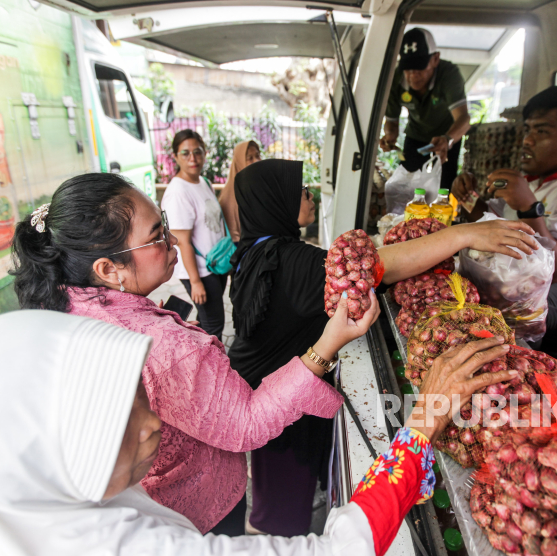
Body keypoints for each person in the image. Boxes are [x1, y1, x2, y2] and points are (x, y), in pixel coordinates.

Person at [0, 309, 516, 556]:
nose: (153, 424)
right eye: (115, 421)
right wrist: (419, 428)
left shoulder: (8, 504)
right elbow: (337, 552)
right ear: (43, 453)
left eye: (140, 395)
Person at [10, 172, 381, 537]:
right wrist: (325, 347)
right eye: (156, 236)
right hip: (197, 509)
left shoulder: (66, 304)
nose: (172, 240)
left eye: (165, 224)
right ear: (108, 269)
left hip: (154, 494)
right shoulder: (164, 348)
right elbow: (246, 424)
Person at [227, 159, 538, 536]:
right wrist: (464, 235)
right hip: (276, 404)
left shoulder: (256, 249)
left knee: (297, 474)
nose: (310, 196)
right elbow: (380, 266)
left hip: (273, 381)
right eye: (302, 192)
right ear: (276, 202)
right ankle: (283, 539)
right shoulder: (291, 261)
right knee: (281, 505)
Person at [451, 85, 557, 356]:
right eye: (528, 130)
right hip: (517, 275)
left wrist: (529, 208)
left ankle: (517, 369)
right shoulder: (535, 178)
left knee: (503, 299)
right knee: (455, 280)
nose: (527, 140)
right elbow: (491, 222)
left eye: (541, 131)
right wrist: (467, 197)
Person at [379, 27, 471, 192]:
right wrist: (390, 135)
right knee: (407, 185)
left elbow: (463, 119)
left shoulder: (449, 75)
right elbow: (391, 121)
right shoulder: (396, 79)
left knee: (442, 188)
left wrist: (447, 139)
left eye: (419, 67)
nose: (413, 75)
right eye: (408, 69)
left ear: (435, 59)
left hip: (447, 138)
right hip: (415, 137)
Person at [162, 129, 229, 338]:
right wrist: (195, 282)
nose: (193, 158)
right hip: (199, 270)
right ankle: (211, 365)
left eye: (198, 151)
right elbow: (182, 242)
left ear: (205, 153)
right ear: (175, 156)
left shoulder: (203, 182)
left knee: (209, 318)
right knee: (214, 323)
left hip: (215, 263)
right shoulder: (178, 192)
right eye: (185, 153)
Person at [219, 140, 262, 244]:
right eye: (250, 158)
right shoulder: (229, 196)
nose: (256, 161)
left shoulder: (260, 187)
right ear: (239, 162)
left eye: (257, 155)